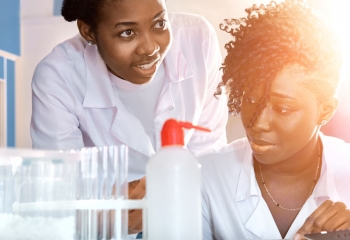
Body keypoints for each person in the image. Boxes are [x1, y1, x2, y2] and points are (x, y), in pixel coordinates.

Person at [30, 0, 228, 234]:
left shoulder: (198, 40)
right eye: (127, 32)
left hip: (187, 213)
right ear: (88, 32)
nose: (150, 48)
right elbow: (59, 191)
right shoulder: (58, 76)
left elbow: (208, 154)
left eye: (159, 24)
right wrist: (105, 219)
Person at [198, 0, 350, 239]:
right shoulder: (205, 175)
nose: (258, 124)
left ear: (326, 110)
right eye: (250, 100)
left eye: (283, 108)